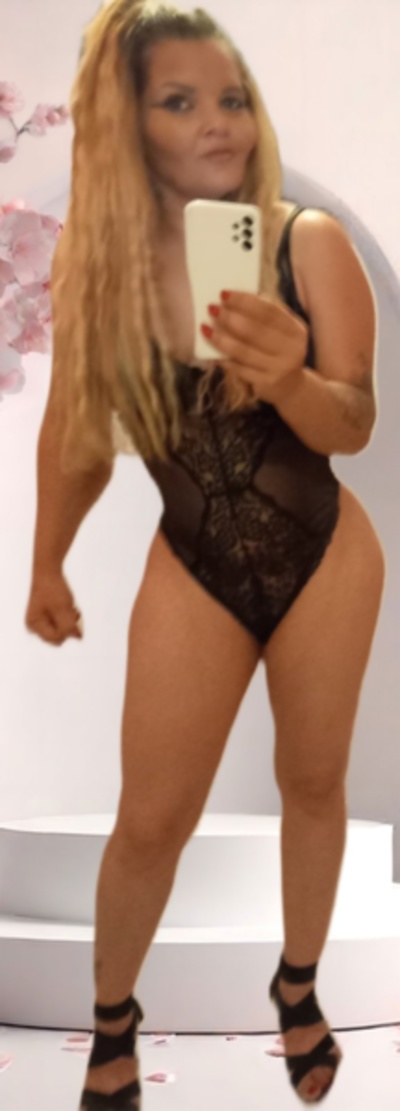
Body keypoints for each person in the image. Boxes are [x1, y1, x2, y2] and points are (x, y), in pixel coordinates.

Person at [25, 1, 385, 1107]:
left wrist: (289, 380)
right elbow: (76, 433)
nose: (218, 123)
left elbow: (355, 423)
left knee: (312, 781)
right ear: (125, 124)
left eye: (231, 98)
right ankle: (112, 1020)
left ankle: (298, 984)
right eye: (179, 102)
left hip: (324, 551)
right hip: (192, 560)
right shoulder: (99, 269)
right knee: (150, 819)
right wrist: (46, 561)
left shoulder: (304, 242)